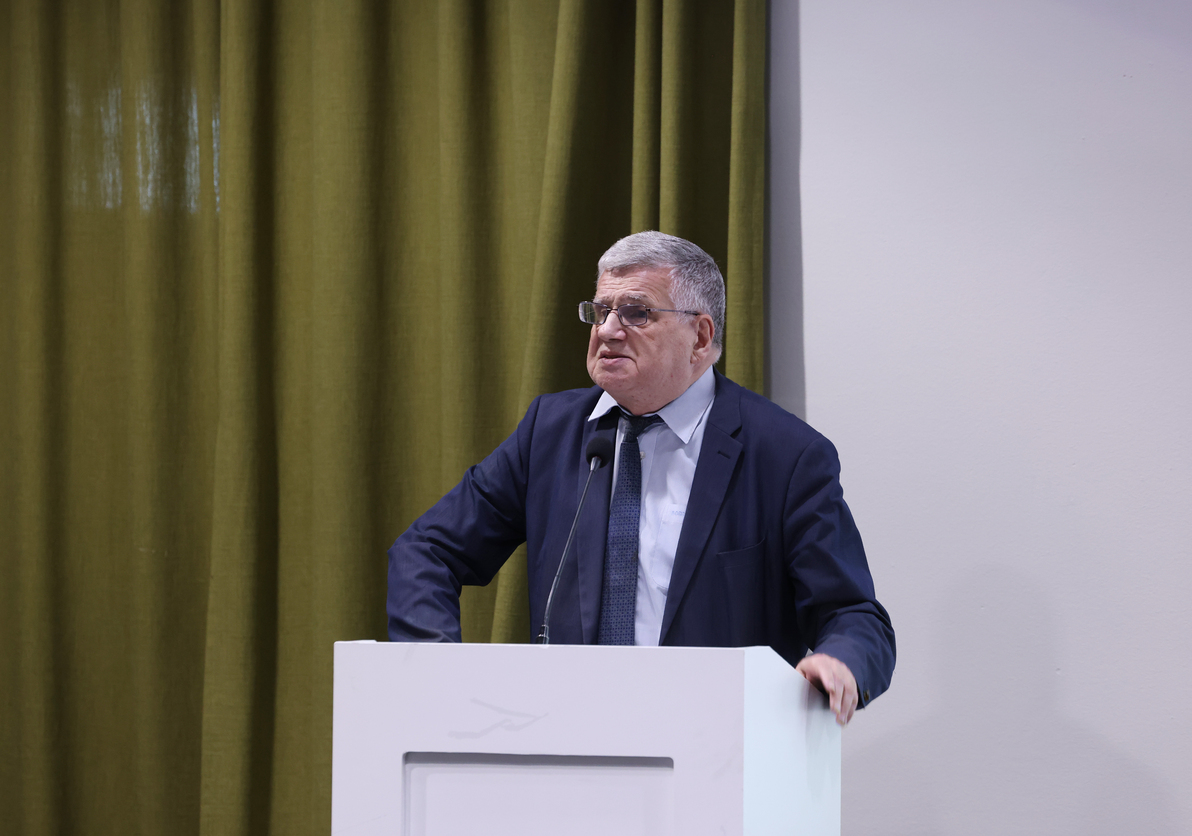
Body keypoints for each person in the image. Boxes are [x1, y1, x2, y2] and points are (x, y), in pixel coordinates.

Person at [387, 231, 895, 725]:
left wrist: (840, 661)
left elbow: (853, 615)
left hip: (716, 745)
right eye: (601, 311)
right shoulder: (551, 431)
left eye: (636, 313)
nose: (608, 330)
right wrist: (438, 671)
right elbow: (427, 550)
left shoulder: (785, 455)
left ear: (700, 337)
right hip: (565, 740)